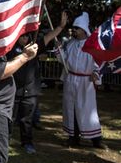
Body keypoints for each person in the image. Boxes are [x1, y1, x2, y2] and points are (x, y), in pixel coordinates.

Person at [6, 12, 68, 154]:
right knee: (10, 118)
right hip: (12, 90)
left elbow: (48, 37)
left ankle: (27, 143)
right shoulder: (9, 48)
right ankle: (6, 142)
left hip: (30, 90)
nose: (25, 38)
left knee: (26, 120)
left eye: (27, 36)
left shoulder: (34, 46)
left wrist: (60, 27)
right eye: (22, 36)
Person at [58, 12, 106, 149]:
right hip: (71, 79)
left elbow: (99, 62)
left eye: (77, 28)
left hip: (86, 82)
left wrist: (96, 74)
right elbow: (65, 61)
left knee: (87, 109)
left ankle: (96, 140)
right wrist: (59, 50)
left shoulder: (92, 45)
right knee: (70, 108)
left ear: (84, 29)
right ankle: (73, 138)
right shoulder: (71, 44)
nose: (74, 30)